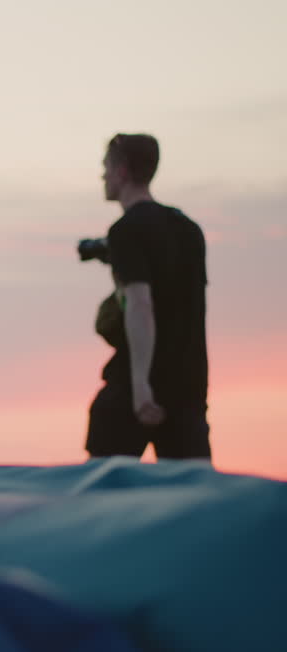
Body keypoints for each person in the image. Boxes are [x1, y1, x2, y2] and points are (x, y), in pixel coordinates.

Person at [86, 133, 210, 460]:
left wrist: (141, 385)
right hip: (188, 388)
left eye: (106, 167)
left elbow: (140, 304)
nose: (102, 176)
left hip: (137, 389)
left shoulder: (126, 230)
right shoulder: (189, 230)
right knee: (192, 488)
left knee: (103, 486)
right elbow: (189, 308)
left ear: (122, 171)